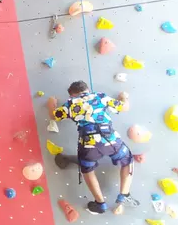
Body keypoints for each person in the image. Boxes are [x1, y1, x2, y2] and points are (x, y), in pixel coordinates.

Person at [49, 81, 138, 214]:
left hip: (88, 144)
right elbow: (124, 107)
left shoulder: (70, 104)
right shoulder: (100, 96)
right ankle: (124, 194)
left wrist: (51, 103)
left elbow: (54, 115)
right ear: (87, 89)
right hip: (110, 140)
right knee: (127, 160)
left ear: (72, 95)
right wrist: (123, 96)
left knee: (87, 169)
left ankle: (100, 203)